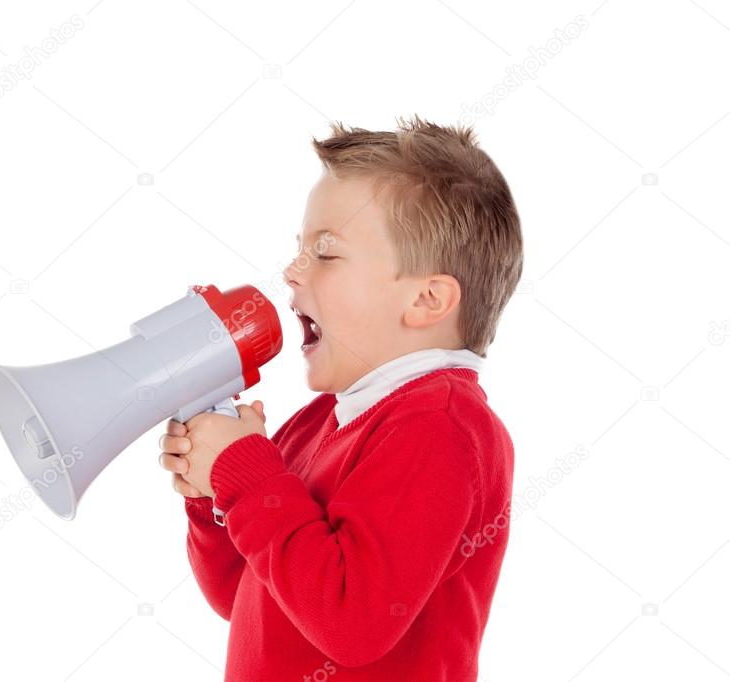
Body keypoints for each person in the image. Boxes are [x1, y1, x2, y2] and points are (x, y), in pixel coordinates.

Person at [158, 116, 523, 680]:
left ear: (427, 299)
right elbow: (244, 596)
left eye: (326, 254)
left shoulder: (439, 427)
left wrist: (249, 477)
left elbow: (352, 624)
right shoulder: (317, 424)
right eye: (299, 250)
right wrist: (215, 498)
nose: (291, 271)